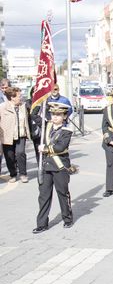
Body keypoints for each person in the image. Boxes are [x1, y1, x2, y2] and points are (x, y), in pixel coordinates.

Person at [32, 103, 75, 234]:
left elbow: (60, 147)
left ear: (64, 116)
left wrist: (45, 148)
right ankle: (42, 224)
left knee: (62, 193)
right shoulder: (46, 126)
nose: (55, 117)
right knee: (44, 195)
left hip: (60, 166)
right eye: (53, 114)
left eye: (58, 114)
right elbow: (33, 115)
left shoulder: (67, 131)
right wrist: (41, 100)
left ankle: (67, 218)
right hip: (46, 166)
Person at [0, 87, 31, 183]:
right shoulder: (2, 107)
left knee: (20, 153)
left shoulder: (23, 106)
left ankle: (23, 174)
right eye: (19, 96)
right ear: (12, 97)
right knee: (9, 156)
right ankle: (13, 174)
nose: (20, 97)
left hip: (21, 134)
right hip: (7, 135)